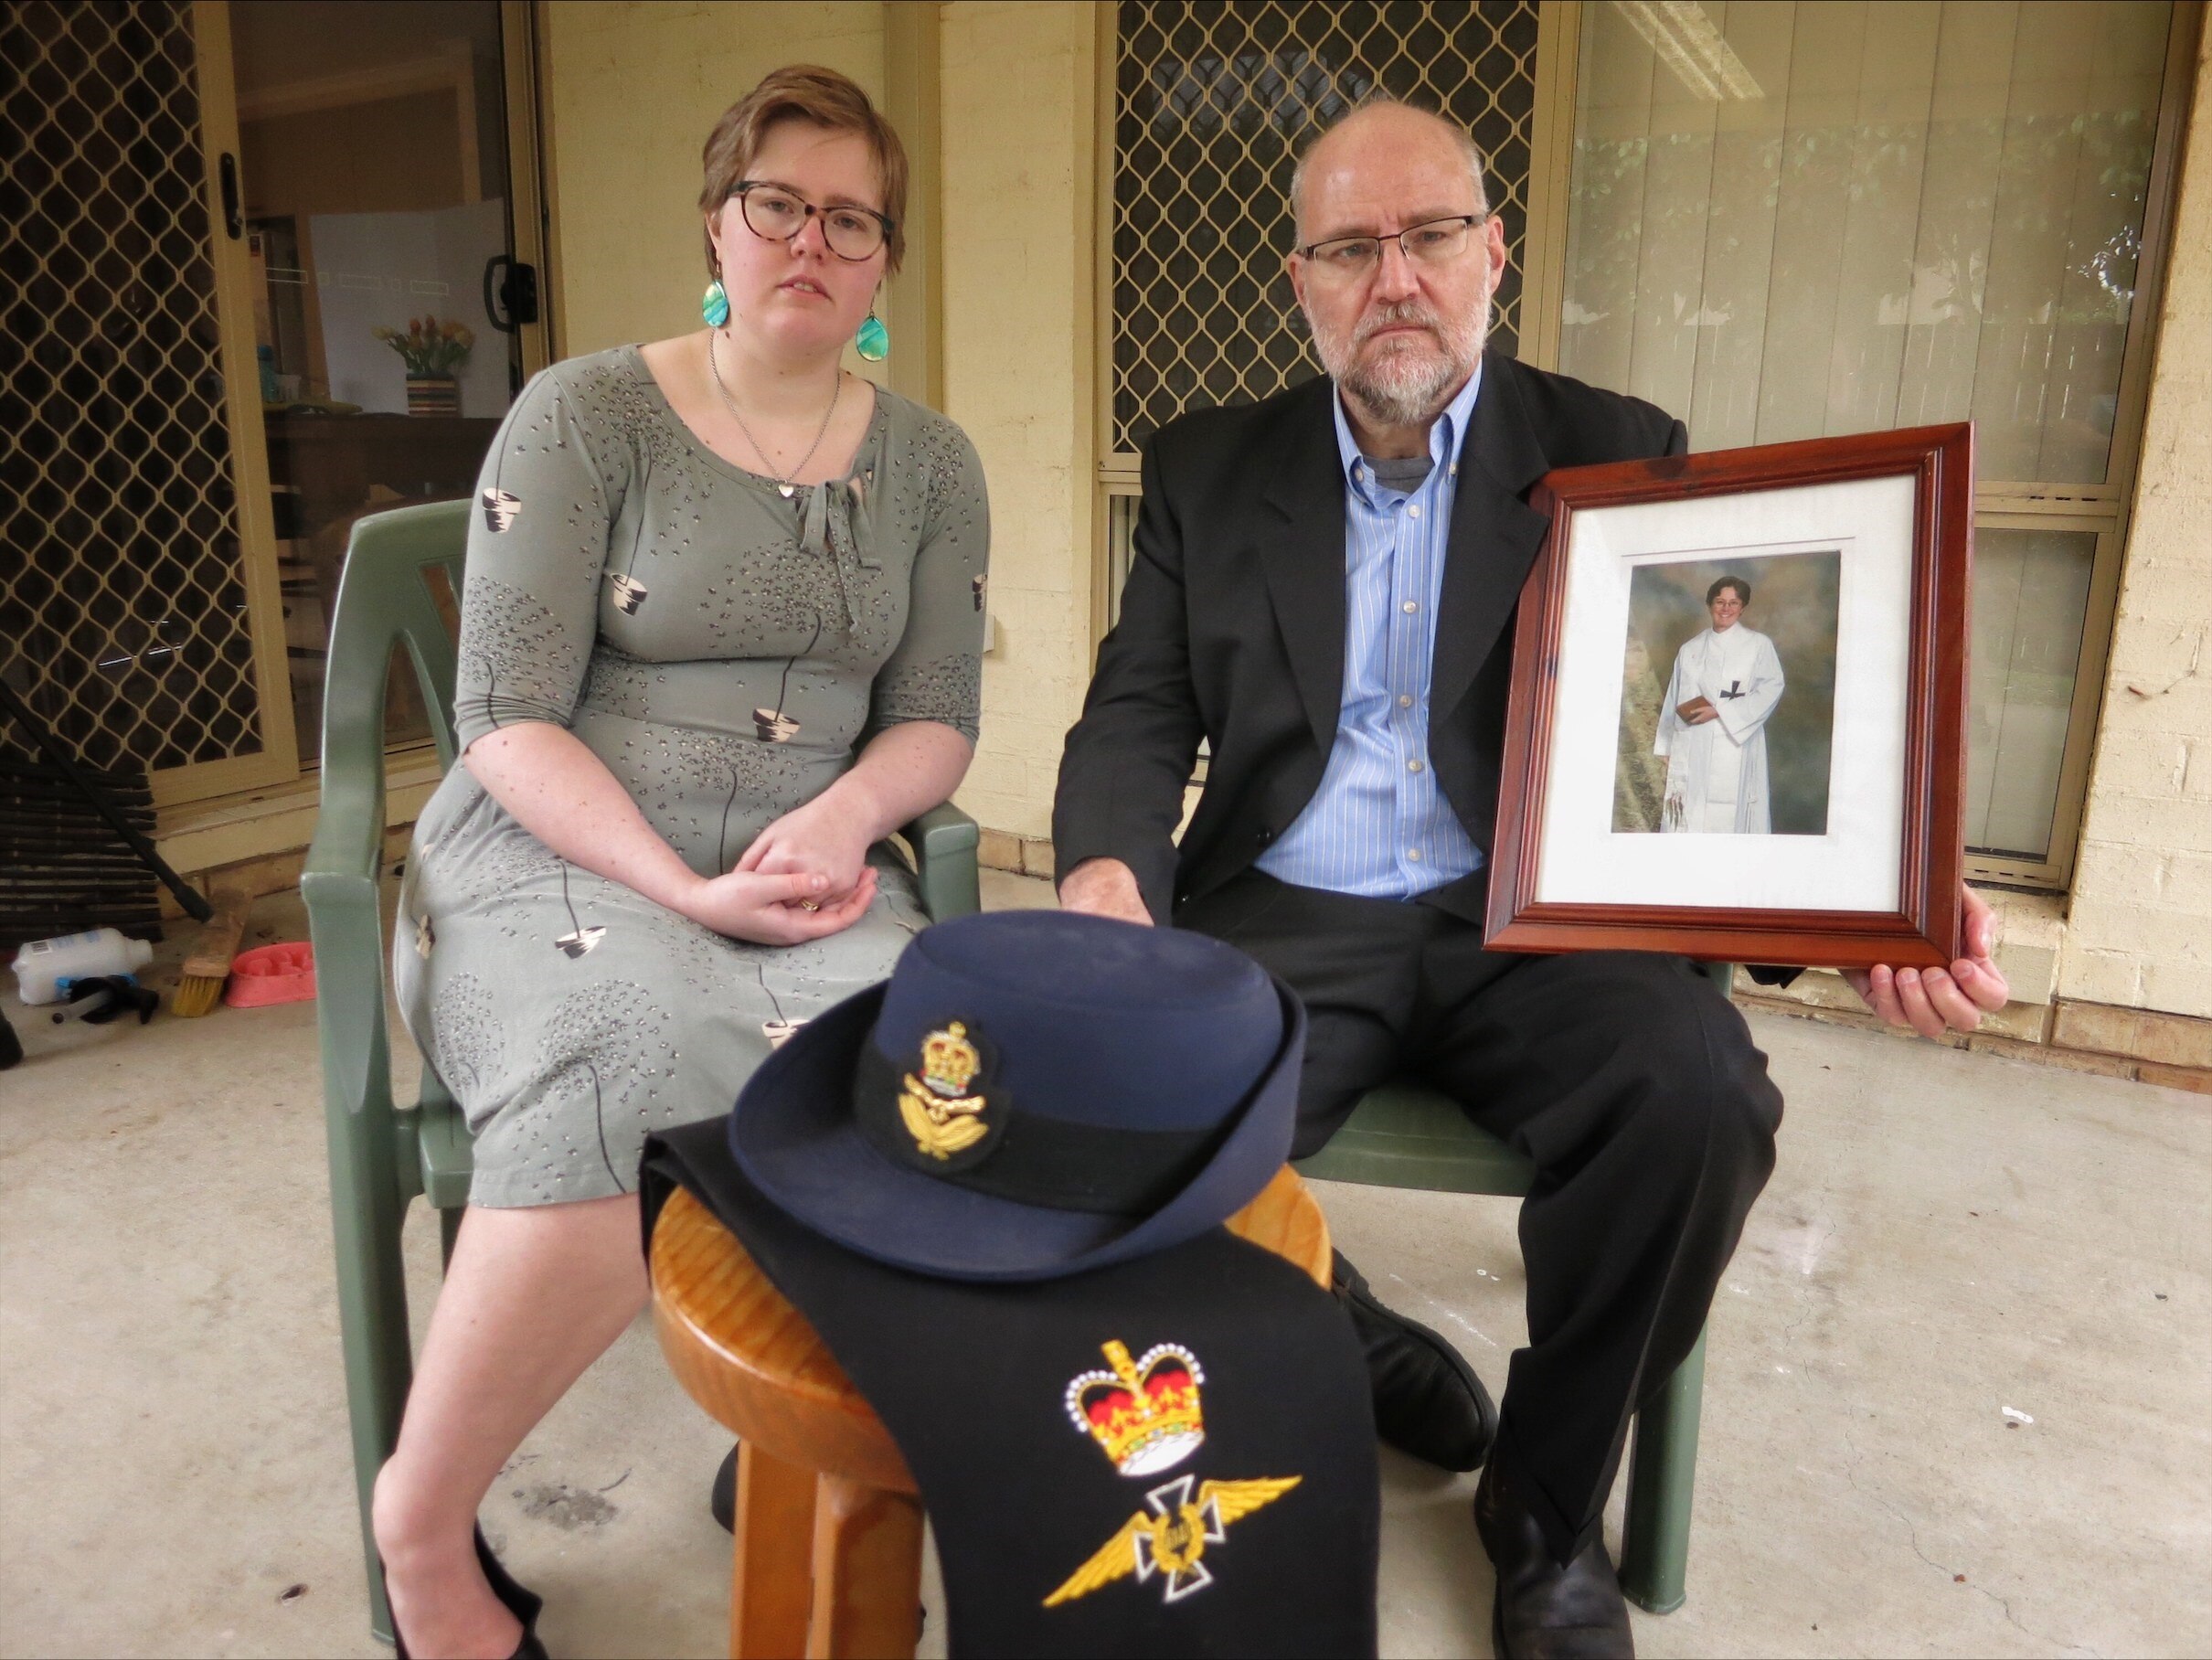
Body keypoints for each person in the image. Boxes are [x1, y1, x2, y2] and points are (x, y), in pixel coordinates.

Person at [1052, 96, 2008, 1657]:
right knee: (1109, 1107)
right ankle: (1344, 1326)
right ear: (1299, 280)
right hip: (1290, 913)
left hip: (1537, 921)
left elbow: (1692, 742)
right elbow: (1138, 711)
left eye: (1431, 235)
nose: (1396, 278)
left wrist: (1862, 908)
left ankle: (1547, 1509)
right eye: (1350, 248)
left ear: (1494, 253)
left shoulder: (1615, 449)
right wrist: (1106, 873)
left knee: (1701, 1095)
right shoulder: (1208, 468)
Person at [374, 66, 988, 1658]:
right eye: (777, 204)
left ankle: (804, 1429)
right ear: (718, 223)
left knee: (937, 1071)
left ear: (886, 262)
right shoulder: (585, 413)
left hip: (808, 855)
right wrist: (685, 890)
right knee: (623, 1039)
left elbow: (934, 718)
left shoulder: (933, 464)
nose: (811, 242)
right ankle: (420, 1527)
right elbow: (503, 715)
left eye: (852, 220)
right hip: (563, 845)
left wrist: (846, 819)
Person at [1654, 576, 1785, 834]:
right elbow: (1674, 698)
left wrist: (1720, 711)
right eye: (1720, 602)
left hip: (1734, 740)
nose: (1726, 608)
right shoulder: (1690, 648)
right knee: (1690, 812)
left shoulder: (1758, 645)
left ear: (1742, 607)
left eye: (1733, 603)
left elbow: (1772, 687)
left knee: (1728, 813)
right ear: (1709, 604)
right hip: (1693, 743)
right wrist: (1667, 747)